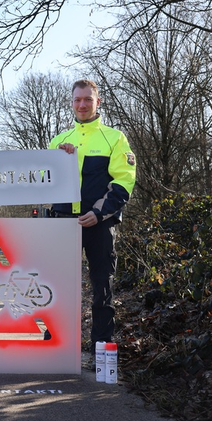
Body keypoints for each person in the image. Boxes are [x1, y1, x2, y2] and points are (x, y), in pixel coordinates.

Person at [48, 79, 136, 364]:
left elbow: (124, 181)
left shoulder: (114, 138)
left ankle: (101, 351)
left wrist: (99, 213)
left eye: (87, 99)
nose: (82, 105)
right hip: (62, 224)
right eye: (77, 100)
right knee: (57, 287)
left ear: (98, 102)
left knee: (102, 286)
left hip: (99, 224)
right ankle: (56, 349)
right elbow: (41, 181)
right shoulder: (57, 141)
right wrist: (59, 161)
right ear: (71, 103)